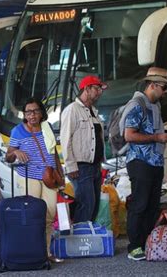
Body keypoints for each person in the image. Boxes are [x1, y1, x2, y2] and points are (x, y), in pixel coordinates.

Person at [122, 67, 167, 261]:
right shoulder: (137, 105)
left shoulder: (156, 105)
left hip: (155, 162)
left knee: (152, 205)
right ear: (152, 85)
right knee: (140, 204)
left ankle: (146, 243)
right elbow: (129, 135)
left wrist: (162, 136)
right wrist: (157, 137)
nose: (165, 92)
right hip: (140, 161)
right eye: (163, 88)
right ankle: (134, 246)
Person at [5, 97, 63, 264]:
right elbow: (8, 156)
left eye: (35, 111)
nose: (32, 115)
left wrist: (60, 174)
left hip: (49, 177)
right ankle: (32, 251)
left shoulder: (47, 127)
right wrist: (15, 153)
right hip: (29, 176)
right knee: (32, 215)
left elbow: (53, 153)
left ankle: (46, 253)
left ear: (41, 113)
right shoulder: (18, 131)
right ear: (24, 114)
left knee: (50, 216)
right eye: (28, 112)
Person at [60, 75, 107, 224]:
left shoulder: (93, 110)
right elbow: (65, 139)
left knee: (94, 206)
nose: (100, 92)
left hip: (94, 166)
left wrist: (100, 162)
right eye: (97, 88)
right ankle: (78, 240)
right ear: (87, 89)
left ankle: (86, 238)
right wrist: (70, 165)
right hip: (80, 167)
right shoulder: (72, 110)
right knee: (86, 204)